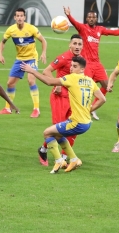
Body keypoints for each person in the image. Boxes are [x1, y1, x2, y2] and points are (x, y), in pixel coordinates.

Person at [20, 56, 106, 173]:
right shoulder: (90, 81)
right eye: (71, 65)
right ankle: (74, 159)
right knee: (58, 135)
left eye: (75, 66)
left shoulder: (72, 78)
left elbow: (49, 81)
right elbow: (102, 99)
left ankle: (59, 160)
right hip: (86, 123)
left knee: (47, 133)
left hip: (77, 123)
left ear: (82, 69)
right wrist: (89, 110)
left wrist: (32, 71)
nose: (71, 68)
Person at [63, 6, 119, 121]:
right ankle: (78, 110)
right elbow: (74, 23)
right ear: (86, 19)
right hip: (87, 64)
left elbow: (115, 32)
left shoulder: (100, 29)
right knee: (85, 88)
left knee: (107, 86)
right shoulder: (83, 29)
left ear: (96, 19)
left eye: (93, 17)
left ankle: (92, 108)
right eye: (89, 17)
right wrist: (68, 15)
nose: (91, 19)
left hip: (97, 64)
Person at [37, 34, 84, 166]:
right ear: (70, 45)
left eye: (80, 44)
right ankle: (43, 150)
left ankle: (64, 156)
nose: (77, 46)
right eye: (74, 44)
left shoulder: (81, 60)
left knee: (74, 128)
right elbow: (46, 71)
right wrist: (57, 84)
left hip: (73, 99)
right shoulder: (63, 58)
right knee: (58, 130)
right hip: (59, 98)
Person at [0, 7, 47, 118]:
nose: (19, 18)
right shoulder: (11, 30)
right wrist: (0, 54)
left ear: (24, 17)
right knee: (10, 83)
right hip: (19, 59)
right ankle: (7, 108)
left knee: (31, 80)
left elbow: (43, 40)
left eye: (21, 16)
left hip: (32, 58)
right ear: (15, 17)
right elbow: (2, 42)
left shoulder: (31, 28)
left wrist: (43, 53)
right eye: (17, 16)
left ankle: (36, 109)